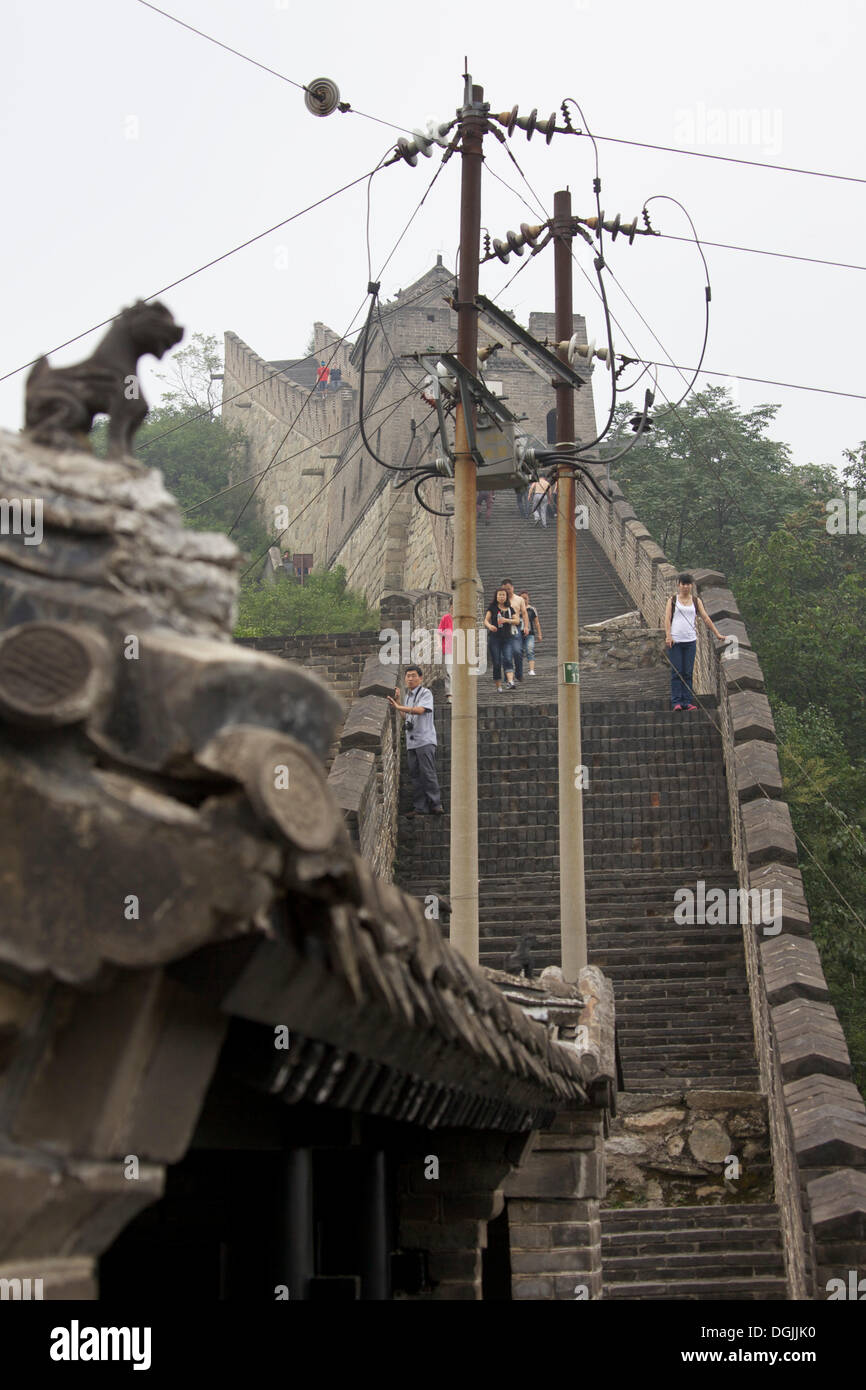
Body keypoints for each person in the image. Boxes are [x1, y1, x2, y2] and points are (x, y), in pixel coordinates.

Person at [388, 666, 444, 814]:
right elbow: (406, 717)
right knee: (415, 775)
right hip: (412, 742)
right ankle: (420, 807)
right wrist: (399, 702)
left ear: (420, 678)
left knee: (427, 772)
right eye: (408, 676)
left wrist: (400, 706)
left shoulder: (426, 693)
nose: (410, 679)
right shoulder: (408, 697)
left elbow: (420, 710)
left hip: (425, 740)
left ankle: (436, 804)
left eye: (413, 676)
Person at [665, 573, 725, 711]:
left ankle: (687, 702)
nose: (685, 587)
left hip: (690, 641)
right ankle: (676, 702)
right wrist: (668, 636)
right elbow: (667, 618)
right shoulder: (673, 600)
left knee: (688, 672)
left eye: (688, 584)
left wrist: (717, 634)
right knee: (677, 672)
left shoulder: (696, 601)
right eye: (683, 584)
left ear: (691, 585)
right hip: (675, 641)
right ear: (678, 585)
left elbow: (705, 618)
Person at [483, 588, 518, 693]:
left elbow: (516, 620)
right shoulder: (492, 608)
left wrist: (506, 620)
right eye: (500, 595)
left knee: (507, 658)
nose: (501, 597)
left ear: (506, 597)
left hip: (507, 638)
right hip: (494, 638)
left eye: (503, 595)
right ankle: (498, 686)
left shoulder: (509, 608)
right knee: (497, 662)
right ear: (496, 596)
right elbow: (486, 620)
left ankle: (510, 681)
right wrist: (490, 626)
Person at [501, 580, 528, 681]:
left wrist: (526, 626)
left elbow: (524, 613)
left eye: (508, 589)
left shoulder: (519, 599)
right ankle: (508, 676)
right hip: (503, 629)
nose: (507, 591)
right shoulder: (500, 599)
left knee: (517, 651)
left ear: (512, 588)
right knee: (505, 654)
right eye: (505, 589)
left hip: (515, 628)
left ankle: (519, 673)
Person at [520, 591, 542, 675]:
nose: (524, 600)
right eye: (522, 598)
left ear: (528, 599)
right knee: (519, 652)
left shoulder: (532, 609)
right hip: (518, 633)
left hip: (530, 634)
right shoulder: (516, 608)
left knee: (530, 650)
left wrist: (539, 634)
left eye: (525, 598)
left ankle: (531, 670)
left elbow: (537, 623)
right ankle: (520, 669)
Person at [437, 611, 453, 699]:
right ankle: (449, 694)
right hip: (447, 648)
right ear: (451, 607)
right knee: (448, 671)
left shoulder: (463, 617)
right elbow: (439, 633)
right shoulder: (445, 618)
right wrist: (439, 644)